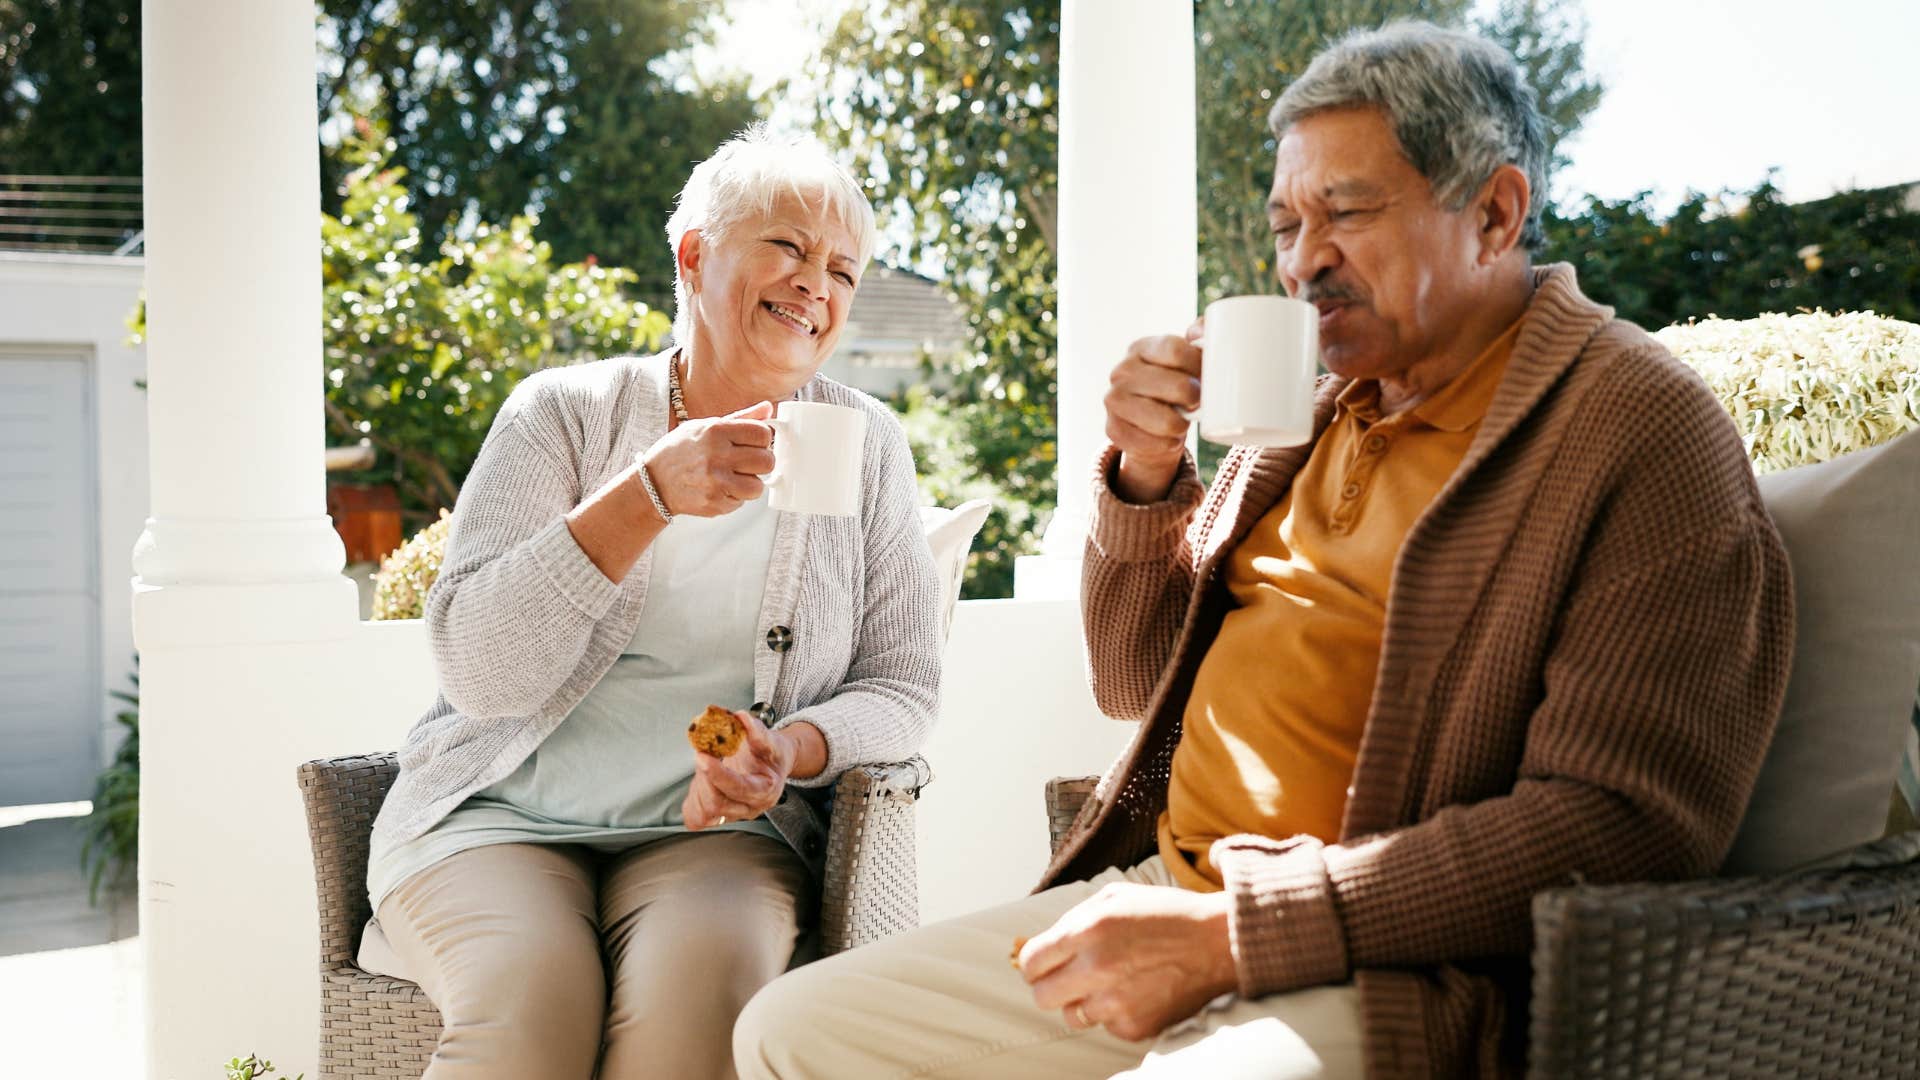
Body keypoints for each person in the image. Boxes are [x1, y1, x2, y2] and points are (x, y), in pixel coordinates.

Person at [732, 22, 1793, 1079]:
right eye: (1287, 222)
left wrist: (1244, 932)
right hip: (1163, 898)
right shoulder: (1307, 416)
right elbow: (1133, 680)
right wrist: (1144, 477)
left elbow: (1626, 826)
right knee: (788, 1032)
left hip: (1397, 970)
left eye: (1346, 212)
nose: (1302, 260)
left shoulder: (1634, 430)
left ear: (1495, 213)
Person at [357, 124, 944, 1080]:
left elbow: (903, 687)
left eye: (842, 268)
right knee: (528, 1008)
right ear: (695, 253)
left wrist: (785, 751)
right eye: (788, 248)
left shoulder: (866, 443)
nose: (817, 286)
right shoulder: (561, 414)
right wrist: (646, 496)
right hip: (495, 812)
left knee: (700, 1015)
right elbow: (478, 670)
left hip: (716, 836)